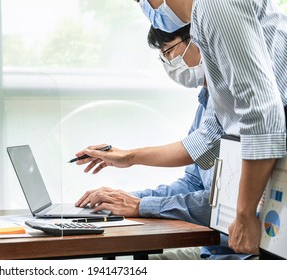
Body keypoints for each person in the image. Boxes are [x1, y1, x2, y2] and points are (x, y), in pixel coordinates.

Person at [130, 0, 287, 257]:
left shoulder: (213, 5)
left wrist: (244, 214)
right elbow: (210, 137)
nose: (145, 6)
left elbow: (262, 112)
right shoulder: (204, 20)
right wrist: (128, 158)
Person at [74, 24, 250, 260]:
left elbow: (222, 203)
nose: (168, 63)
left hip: (234, 254)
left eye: (169, 52)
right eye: (163, 56)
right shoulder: (207, 103)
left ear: (199, 41)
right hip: (212, 249)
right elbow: (193, 182)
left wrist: (140, 204)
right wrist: (125, 199)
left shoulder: (243, 104)